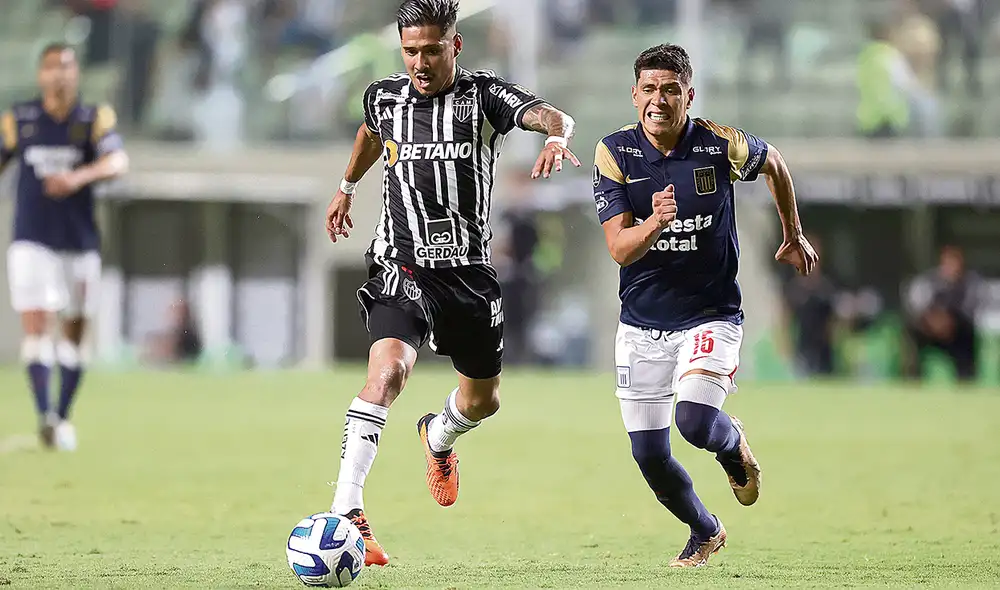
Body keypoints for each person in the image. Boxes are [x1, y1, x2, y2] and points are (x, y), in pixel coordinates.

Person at [322, 0, 579, 567]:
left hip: (467, 275)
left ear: (455, 46)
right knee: (387, 372)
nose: (420, 61)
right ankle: (348, 511)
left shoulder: (483, 97)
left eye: (432, 50)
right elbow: (371, 132)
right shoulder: (384, 96)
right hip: (400, 264)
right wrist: (346, 185)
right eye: (410, 50)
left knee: (482, 402)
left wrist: (557, 136)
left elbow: (547, 114)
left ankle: (438, 437)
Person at [592, 44, 817, 568]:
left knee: (695, 421)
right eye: (649, 89)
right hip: (642, 323)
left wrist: (793, 233)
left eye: (670, 89)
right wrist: (654, 223)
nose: (659, 99)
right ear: (634, 95)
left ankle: (732, 444)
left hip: (710, 314)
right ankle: (705, 530)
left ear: (688, 95)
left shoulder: (719, 143)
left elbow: (775, 162)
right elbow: (619, 248)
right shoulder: (614, 152)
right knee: (648, 454)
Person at [0, 43, 129, 450]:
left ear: (77, 75)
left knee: (73, 333)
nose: (60, 75)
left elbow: (117, 161)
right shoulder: (19, 120)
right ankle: (47, 416)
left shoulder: (93, 118)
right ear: (41, 75)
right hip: (31, 239)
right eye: (53, 67)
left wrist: (76, 179)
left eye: (68, 67)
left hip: (78, 242)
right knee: (37, 325)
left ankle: (63, 414)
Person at [902, 245, 982, 381]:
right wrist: (934, 321)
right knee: (911, 330)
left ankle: (966, 379)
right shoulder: (928, 281)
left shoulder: (970, 282)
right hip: (929, 331)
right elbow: (917, 305)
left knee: (968, 334)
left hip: (957, 333)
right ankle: (912, 379)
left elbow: (970, 309)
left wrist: (949, 321)